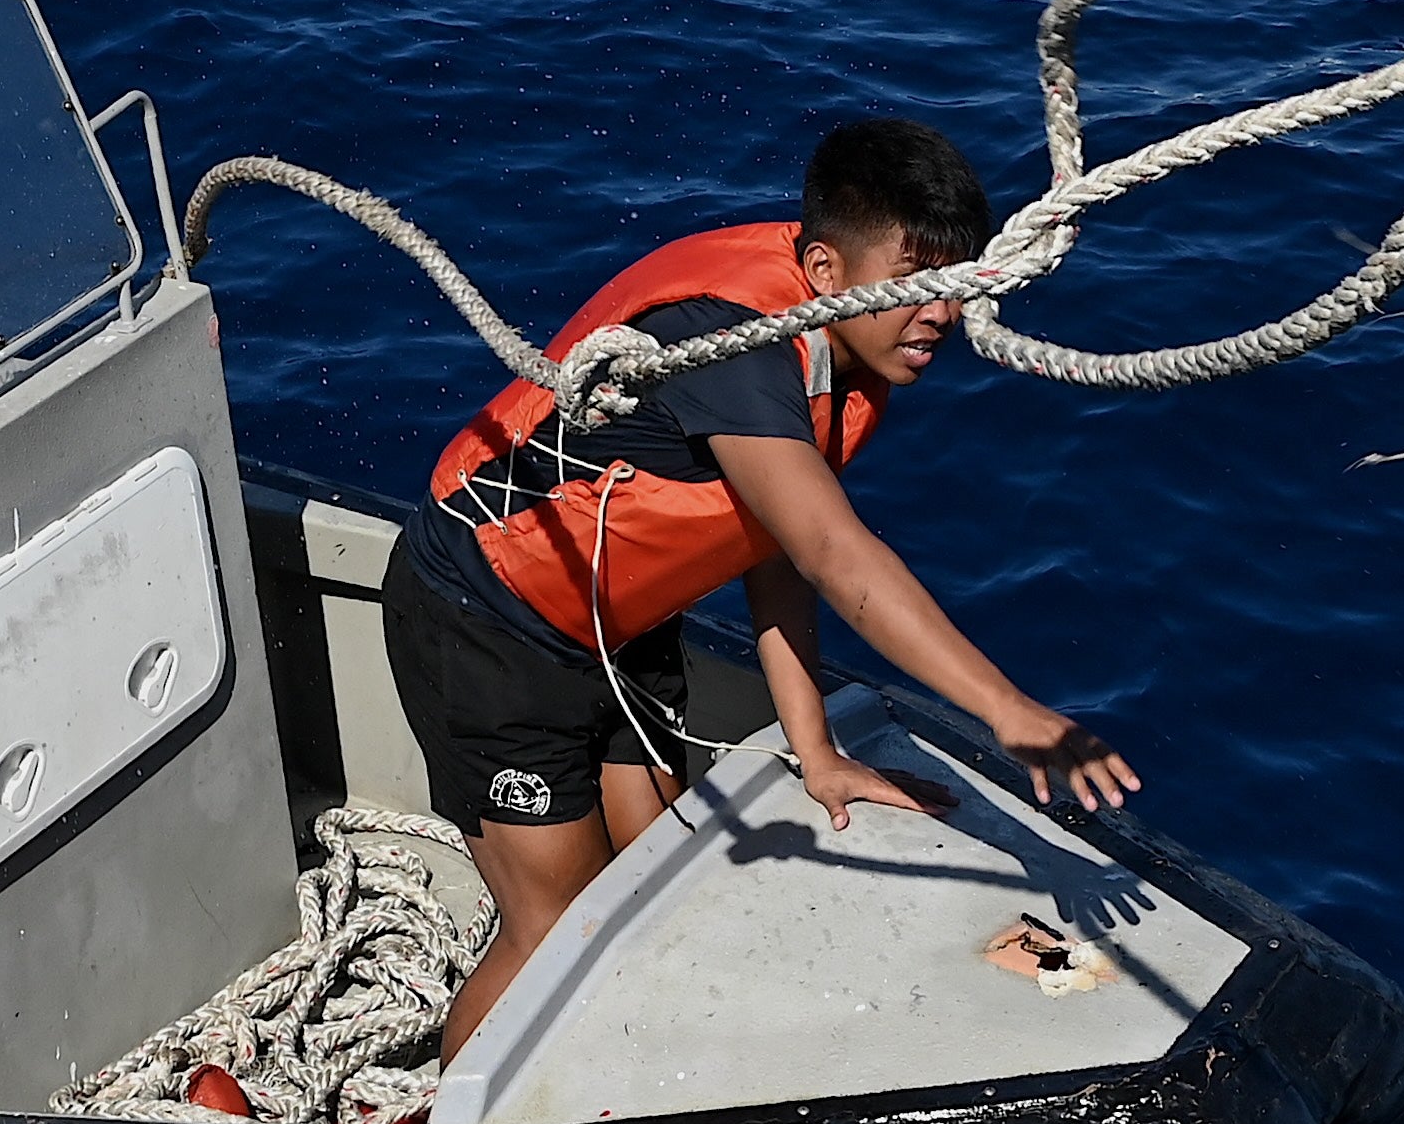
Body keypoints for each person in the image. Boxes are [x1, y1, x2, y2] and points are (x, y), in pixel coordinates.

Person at [388, 118, 1139, 1052]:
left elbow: (775, 549)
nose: (941, 312)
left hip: (617, 622)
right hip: (490, 617)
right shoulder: (736, 348)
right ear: (824, 269)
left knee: (654, 858)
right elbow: (832, 550)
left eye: (951, 283)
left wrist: (813, 746)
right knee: (559, 924)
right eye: (914, 284)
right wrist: (1006, 708)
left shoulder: (835, 339)